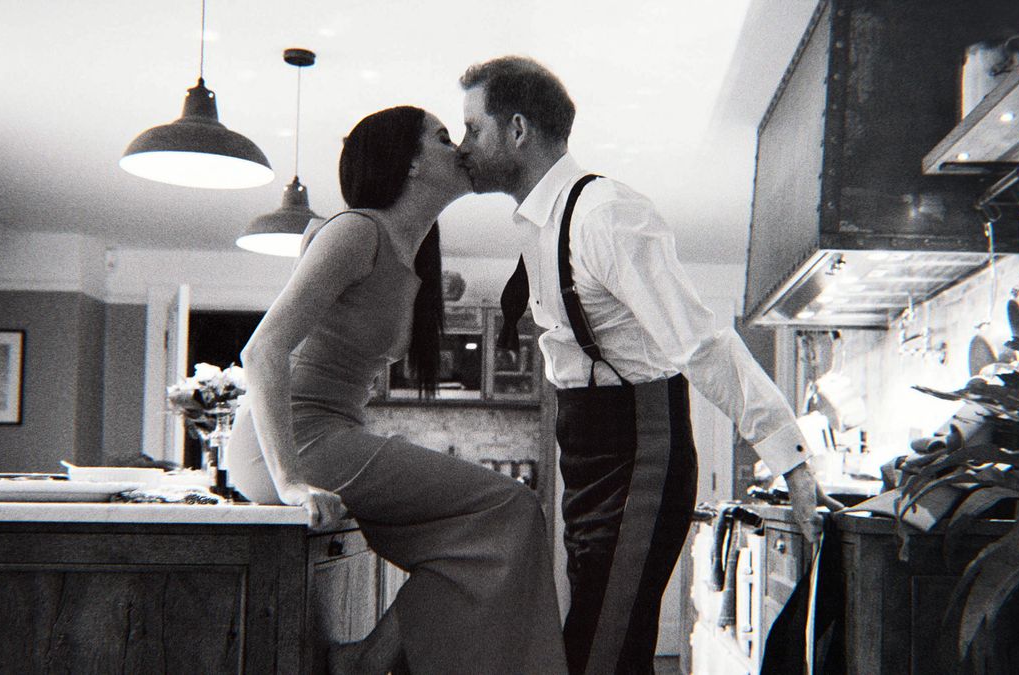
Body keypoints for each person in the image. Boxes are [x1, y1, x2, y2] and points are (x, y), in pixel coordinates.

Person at [456, 56, 838, 675]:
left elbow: (703, 343)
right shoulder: (535, 223)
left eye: (473, 129)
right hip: (583, 446)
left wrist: (791, 460)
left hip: (641, 446)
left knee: (601, 648)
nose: (464, 146)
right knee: (601, 640)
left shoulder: (605, 213)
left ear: (517, 129)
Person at [239, 105, 567, 675]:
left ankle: (370, 659)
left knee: (490, 539)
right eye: (445, 137)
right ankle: (369, 661)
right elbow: (261, 349)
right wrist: (290, 481)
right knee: (512, 508)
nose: (460, 147)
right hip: (290, 443)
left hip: (327, 434)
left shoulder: (409, 254)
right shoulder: (356, 231)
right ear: (410, 162)